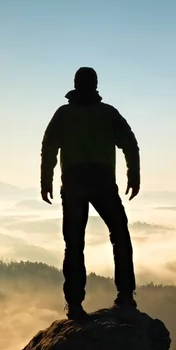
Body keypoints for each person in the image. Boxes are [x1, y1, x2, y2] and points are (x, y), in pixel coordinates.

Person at [40, 67, 140, 320]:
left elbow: (49, 148)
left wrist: (46, 180)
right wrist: (133, 175)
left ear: (75, 84)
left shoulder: (63, 114)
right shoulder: (108, 113)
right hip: (103, 180)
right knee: (119, 234)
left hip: (73, 182)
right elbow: (130, 143)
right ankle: (126, 295)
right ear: (95, 84)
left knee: (74, 243)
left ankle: (74, 305)